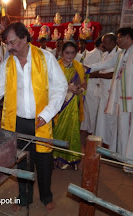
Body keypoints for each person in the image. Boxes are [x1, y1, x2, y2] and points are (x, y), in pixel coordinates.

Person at [0, 22, 67, 211]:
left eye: (13, 43)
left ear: (25, 38)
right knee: (21, 163)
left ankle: (46, 196)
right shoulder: (8, 64)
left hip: (41, 120)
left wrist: (48, 113)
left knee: (44, 162)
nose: (9, 48)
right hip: (17, 122)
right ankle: (23, 198)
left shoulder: (45, 58)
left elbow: (61, 88)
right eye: (7, 44)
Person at [85, 27, 133, 172]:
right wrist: (87, 68)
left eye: (119, 37)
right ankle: (125, 159)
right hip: (123, 99)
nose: (117, 41)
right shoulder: (122, 53)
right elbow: (106, 64)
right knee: (123, 129)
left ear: (128, 37)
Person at [53, 41, 86, 170]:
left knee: (73, 131)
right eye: (67, 52)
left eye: (73, 53)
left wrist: (80, 90)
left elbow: (84, 84)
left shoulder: (78, 66)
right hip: (60, 105)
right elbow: (49, 86)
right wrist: (67, 87)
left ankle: (71, 157)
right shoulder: (56, 66)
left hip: (74, 105)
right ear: (62, 52)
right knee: (59, 130)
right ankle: (57, 156)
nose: (70, 55)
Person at [92, 33, 121, 150]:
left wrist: (95, 74)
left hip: (112, 91)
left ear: (113, 43)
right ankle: (101, 141)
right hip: (103, 90)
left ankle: (109, 143)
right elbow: (101, 66)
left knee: (110, 118)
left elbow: (113, 74)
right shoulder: (105, 54)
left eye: (105, 42)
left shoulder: (118, 54)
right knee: (101, 118)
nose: (102, 44)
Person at [80, 37, 104, 134]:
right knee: (92, 109)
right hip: (91, 84)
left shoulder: (99, 53)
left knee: (89, 108)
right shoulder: (94, 54)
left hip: (92, 84)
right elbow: (86, 70)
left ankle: (86, 128)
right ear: (100, 44)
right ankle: (92, 131)